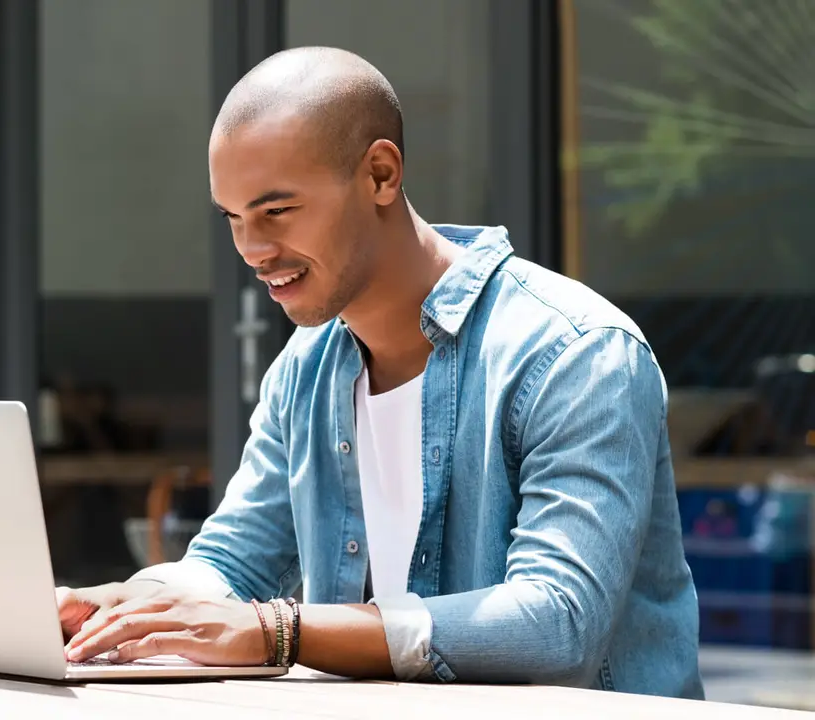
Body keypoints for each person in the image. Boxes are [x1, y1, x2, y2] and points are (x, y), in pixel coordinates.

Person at [57, 46, 703, 699]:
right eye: (234, 218)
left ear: (381, 174)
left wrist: (280, 630)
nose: (252, 249)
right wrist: (123, 606)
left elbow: (557, 620)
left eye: (277, 211)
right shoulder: (305, 372)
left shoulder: (574, 353)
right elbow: (233, 562)